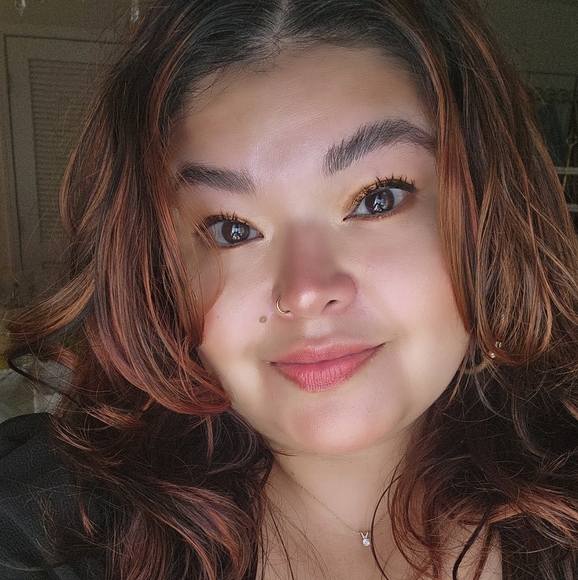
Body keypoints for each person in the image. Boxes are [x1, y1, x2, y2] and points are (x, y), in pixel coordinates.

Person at [1, 0, 578, 578]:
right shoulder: (48, 527)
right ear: (160, 275)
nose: (305, 292)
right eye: (230, 230)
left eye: (377, 199)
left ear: (484, 221)